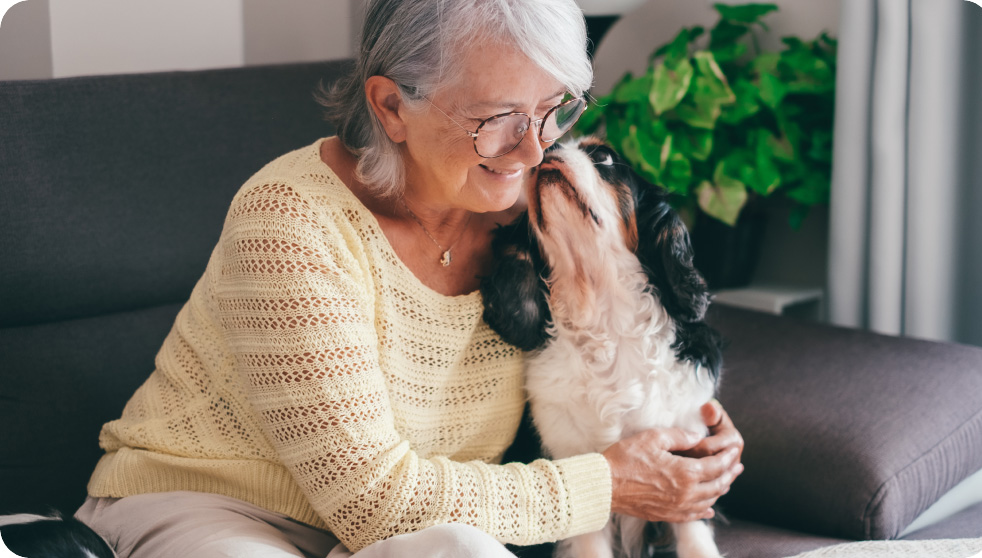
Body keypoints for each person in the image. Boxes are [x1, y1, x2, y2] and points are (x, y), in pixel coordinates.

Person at [74, 1, 744, 556]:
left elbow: (614, 350)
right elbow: (373, 502)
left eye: (553, 109)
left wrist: (687, 435)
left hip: (395, 533)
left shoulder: (524, 219)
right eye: (497, 119)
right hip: (213, 510)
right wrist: (610, 485)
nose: (535, 150)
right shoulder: (291, 224)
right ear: (391, 106)